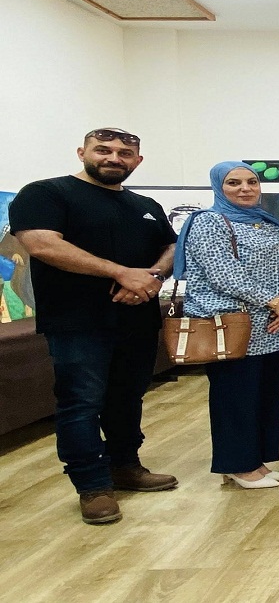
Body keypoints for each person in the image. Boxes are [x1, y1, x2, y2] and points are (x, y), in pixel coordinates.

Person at [9, 128, 178, 524]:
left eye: (124, 153)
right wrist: (122, 273)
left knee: (128, 397)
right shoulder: (45, 193)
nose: (114, 158)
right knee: (81, 402)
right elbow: (42, 244)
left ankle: (125, 466)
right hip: (77, 321)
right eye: (104, 150)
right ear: (82, 152)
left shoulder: (145, 205)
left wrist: (152, 276)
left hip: (137, 318)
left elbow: (171, 247)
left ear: (137, 161)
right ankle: (92, 485)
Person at [176, 161, 279, 489]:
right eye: (234, 183)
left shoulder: (269, 224)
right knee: (235, 397)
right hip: (232, 325)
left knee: (268, 395)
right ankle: (237, 465)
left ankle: (255, 461)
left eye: (251, 182)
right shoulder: (209, 222)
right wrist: (275, 302)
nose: (245, 188)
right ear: (219, 187)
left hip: (273, 326)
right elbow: (223, 273)